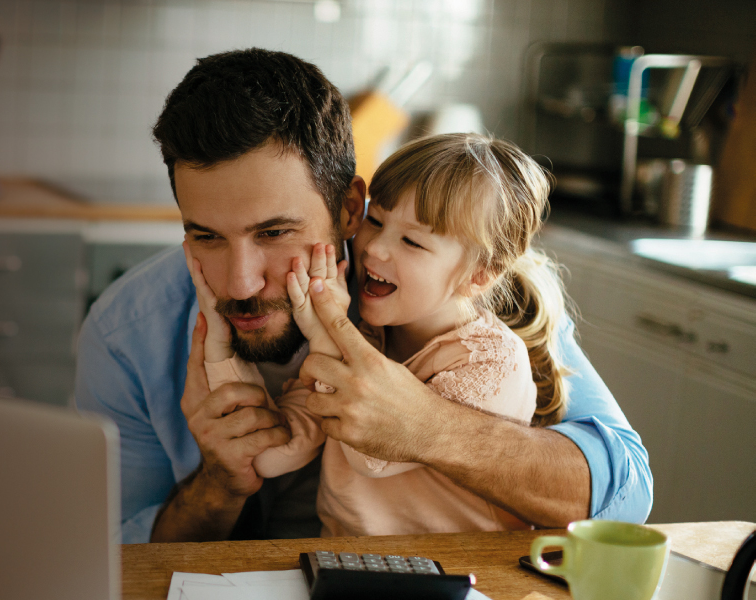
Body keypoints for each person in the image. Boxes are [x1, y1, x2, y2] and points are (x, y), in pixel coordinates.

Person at [73, 48, 652, 544]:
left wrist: (428, 427)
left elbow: (624, 491)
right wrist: (219, 483)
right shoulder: (129, 332)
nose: (241, 283)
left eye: (275, 233)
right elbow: (112, 558)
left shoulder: (458, 297)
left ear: (352, 209)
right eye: (206, 236)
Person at [194, 133, 573, 537]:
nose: (375, 249)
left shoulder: (493, 361)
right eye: (376, 220)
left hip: (459, 576)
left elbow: (371, 454)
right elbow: (273, 457)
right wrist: (219, 348)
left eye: (412, 241)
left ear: (479, 275)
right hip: (347, 568)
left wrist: (324, 332)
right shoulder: (369, 336)